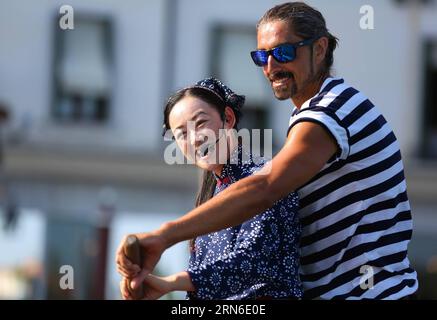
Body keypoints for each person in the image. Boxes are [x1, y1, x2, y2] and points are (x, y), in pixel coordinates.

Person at [117, 2, 418, 299]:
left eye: (283, 52)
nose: (271, 67)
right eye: (262, 56)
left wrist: (164, 236)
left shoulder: (332, 110)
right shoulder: (313, 114)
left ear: (320, 49)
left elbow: (265, 188)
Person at [119, 78, 302, 300]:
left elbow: (254, 261)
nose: (195, 139)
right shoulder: (210, 197)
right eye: (182, 134)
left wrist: (171, 283)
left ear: (228, 118)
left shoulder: (266, 179)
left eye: (200, 123)